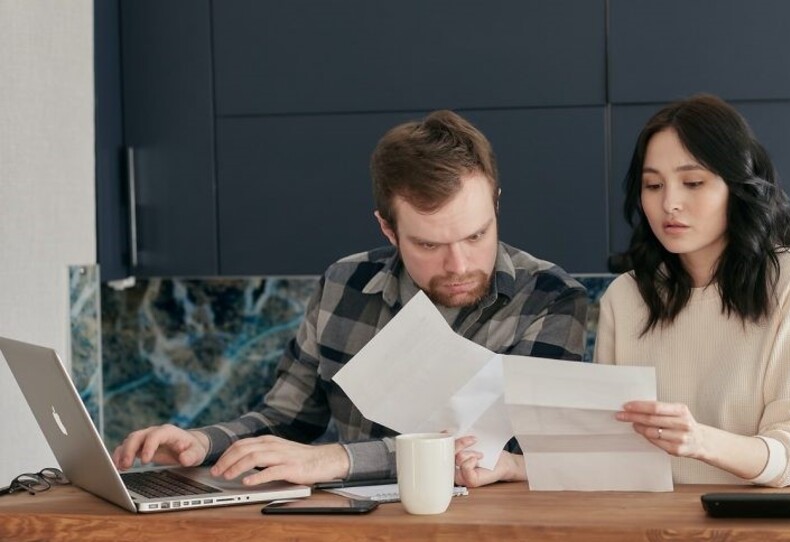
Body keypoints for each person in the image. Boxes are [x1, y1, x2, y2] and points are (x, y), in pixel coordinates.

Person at [112, 110, 588, 487]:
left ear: (497, 204)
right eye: (428, 245)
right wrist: (203, 442)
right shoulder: (344, 283)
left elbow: (515, 455)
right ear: (387, 227)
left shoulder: (549, 299)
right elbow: (286, 417)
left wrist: (333, 459)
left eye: (477, 235)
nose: (460, 265)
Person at [595, 94, 790, 486]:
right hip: (647, 524)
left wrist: (699, 441)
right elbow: (608, 454)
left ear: (738, 186)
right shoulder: (624, 298)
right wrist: (514, 467)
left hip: (760, 525)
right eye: (653, 185)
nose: (669, 203)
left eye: (693, 182)